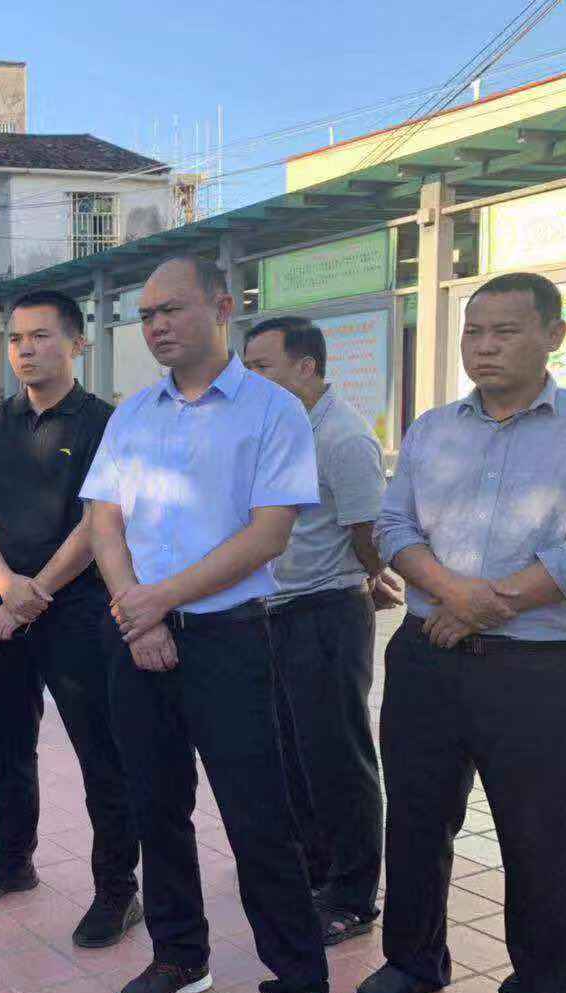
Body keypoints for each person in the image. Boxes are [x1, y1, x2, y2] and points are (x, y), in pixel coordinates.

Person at [84, 256, 349, 993]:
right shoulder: (133, 414)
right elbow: (104, 520)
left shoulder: (273, 410)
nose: (157, 325)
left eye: (172, 308)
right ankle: (180, 954)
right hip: (136, 638)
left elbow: (268, 534)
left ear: (223, 307)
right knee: (156, 806)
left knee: (259, 819)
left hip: (230, 638)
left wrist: (158, 601)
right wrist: (135, 611)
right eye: (146, 314)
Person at [358, 271, 566, 993]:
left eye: (505, 331)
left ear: (553, 335)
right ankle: (413, 960)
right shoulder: (432, 430)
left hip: (537, 669)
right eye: (473, 331)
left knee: (541, 836)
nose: (484, 346)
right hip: (427, 657)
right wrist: (453, 594)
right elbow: (393, 524)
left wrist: (488, 605)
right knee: (416, 818)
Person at [0, 288, 142, 949]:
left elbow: (99, 522)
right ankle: (13, 861)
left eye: (40, 336)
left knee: (101, 754)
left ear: (76, 343)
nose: (25, 350)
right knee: (6, 746)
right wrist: (7, 588)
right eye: (16, 339)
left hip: (79, 609)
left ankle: (117, 890)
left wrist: (35, 596)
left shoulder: (105, 423)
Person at [243, 317, 400, 946]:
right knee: (292, 753)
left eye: (262, 367)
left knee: (337, 757)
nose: (250, 380)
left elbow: (369, 532)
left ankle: (353, 895)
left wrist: (370, 578)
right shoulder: (275, 430)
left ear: (306, 367)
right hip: (274, 612)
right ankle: (316, 871)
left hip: (325, 614)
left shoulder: (342, 437)